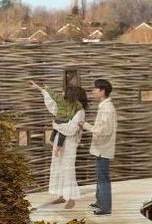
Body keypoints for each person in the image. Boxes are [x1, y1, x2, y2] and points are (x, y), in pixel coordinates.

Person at [31, 79, 88, 207]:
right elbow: (52, 105)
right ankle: (61, 196)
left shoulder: (79, 111)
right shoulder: (65, 107)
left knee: (68, 168)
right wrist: (41, 90)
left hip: (70, 142)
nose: (62, 93)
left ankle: (71, 198)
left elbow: (72, 128)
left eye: (64, 92)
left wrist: (56, 125)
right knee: (58, 167)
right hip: (59, 141)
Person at [87, 78, 117, 215]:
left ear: (102, 91)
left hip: (103, 149)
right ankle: (100, 201)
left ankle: (105, 207)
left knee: (103, 177)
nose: (93, 91)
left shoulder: (107, 109)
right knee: (100, 176)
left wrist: (87, 126)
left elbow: (105, 130)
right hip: (101, 148)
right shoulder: (104, 107)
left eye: (95, 89)